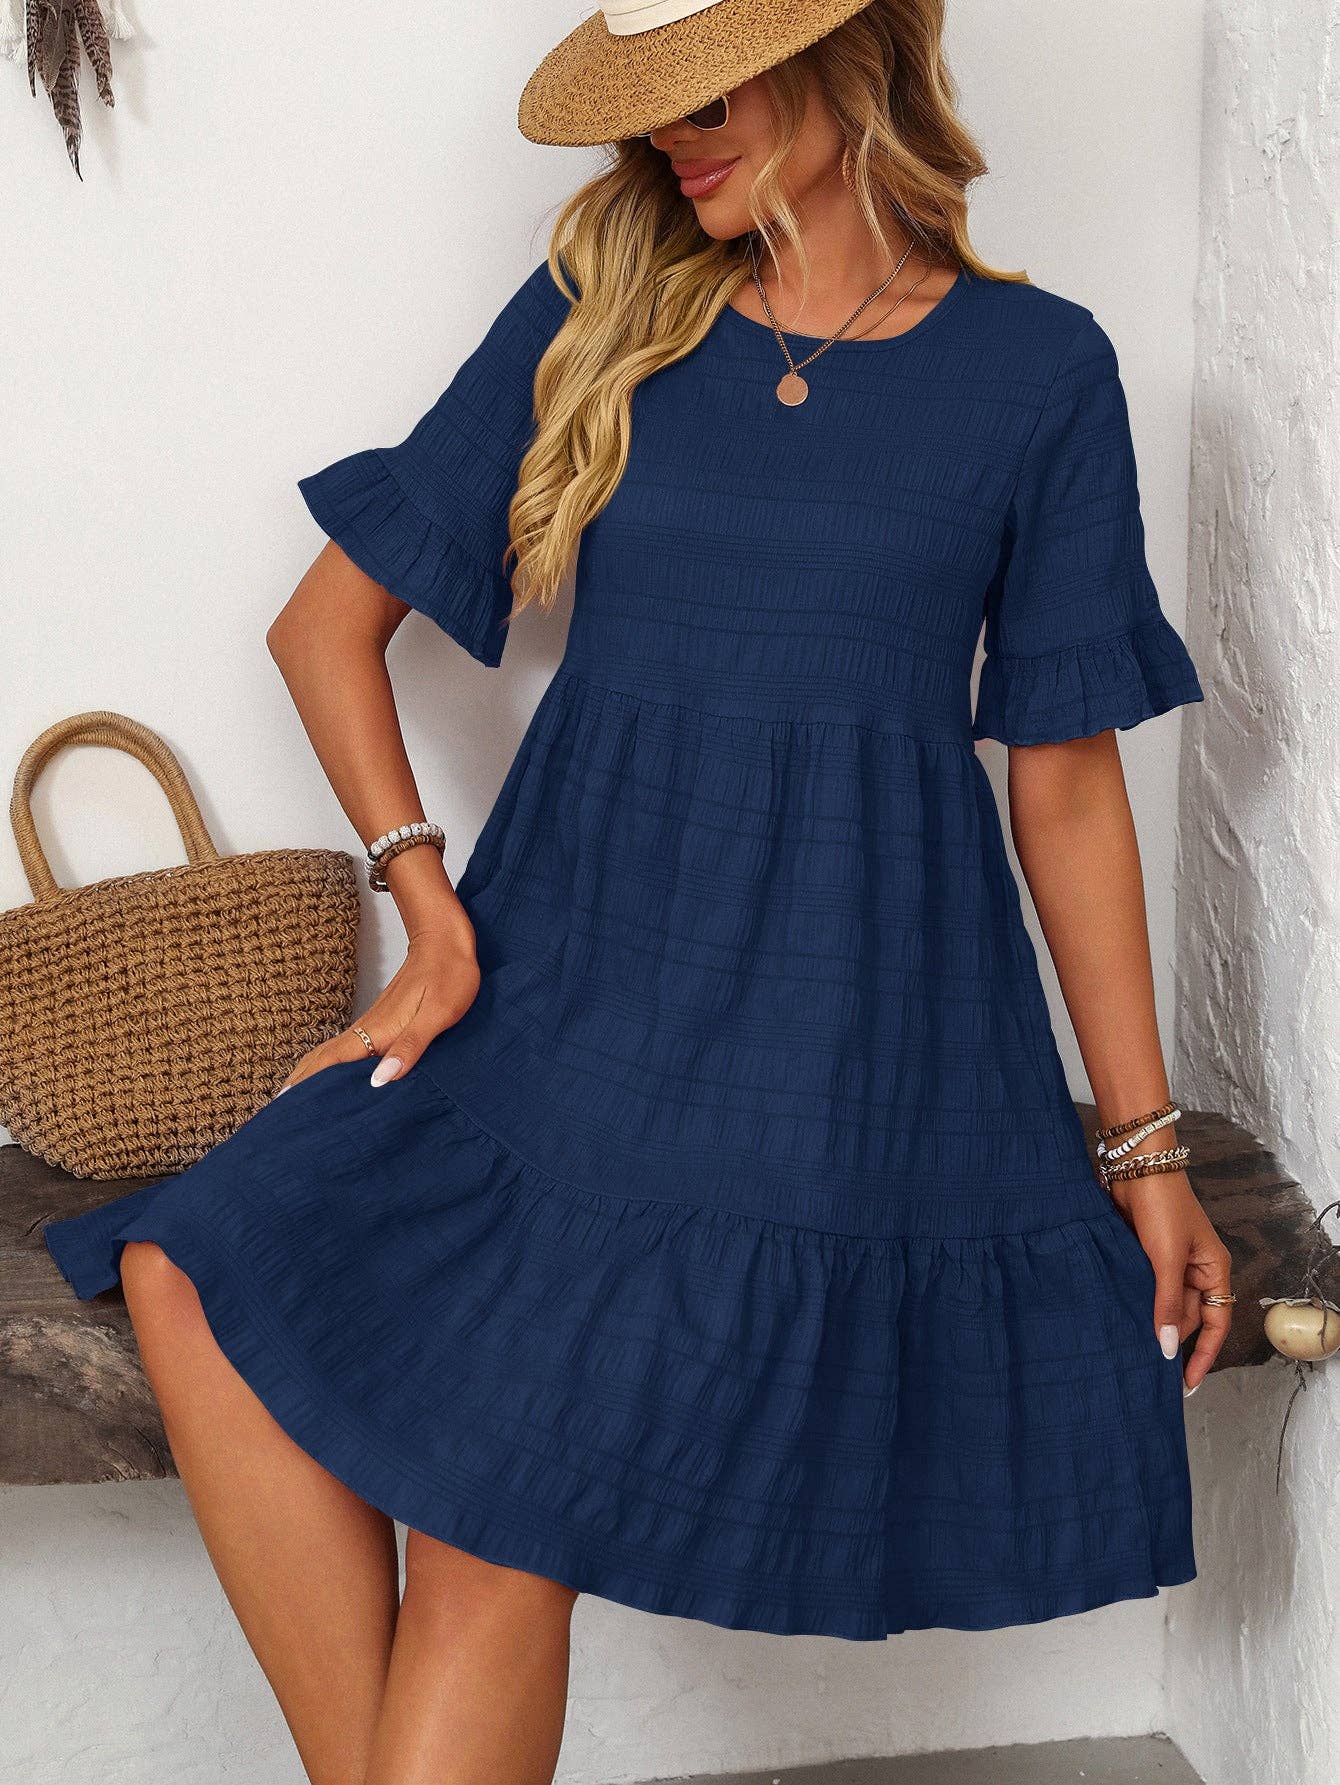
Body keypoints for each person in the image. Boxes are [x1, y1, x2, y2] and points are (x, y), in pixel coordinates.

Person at [44, 3, 1236, 1782]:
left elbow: (1063, 782)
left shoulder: (1037, 369)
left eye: (712, 87)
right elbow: (322, 628)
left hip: (833, 1052)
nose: (674, 138)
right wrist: (429, 915)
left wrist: (1145, 1147)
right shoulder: (609, 304)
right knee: (184, 1265)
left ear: (860, 56)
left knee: (484, 1509)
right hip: (563, 1004)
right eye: (649, 104)